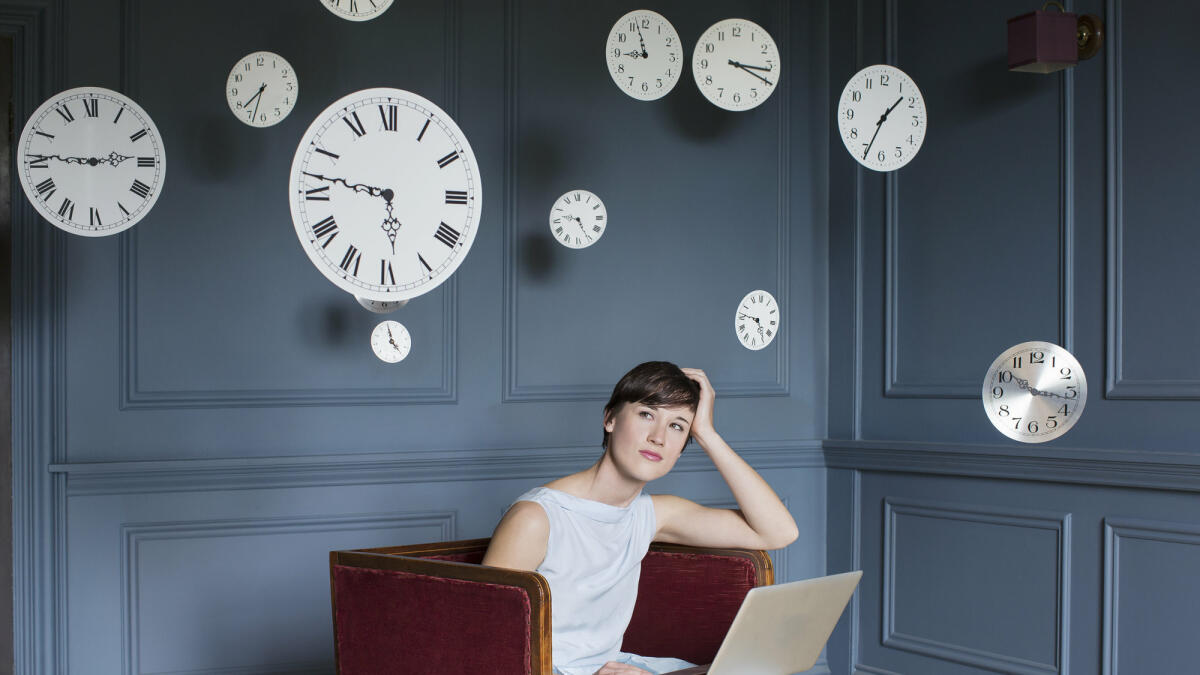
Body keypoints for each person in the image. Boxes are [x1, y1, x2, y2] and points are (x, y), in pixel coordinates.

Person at [482, 361, 799, 675]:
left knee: (753, 669)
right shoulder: (536, 518)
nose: (658, 437)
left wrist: (707, 434)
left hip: (618, 669)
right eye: (647, 414)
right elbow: (484, 648)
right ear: (610, 419)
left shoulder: (654, 514)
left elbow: (778, 533)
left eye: (677, 426)